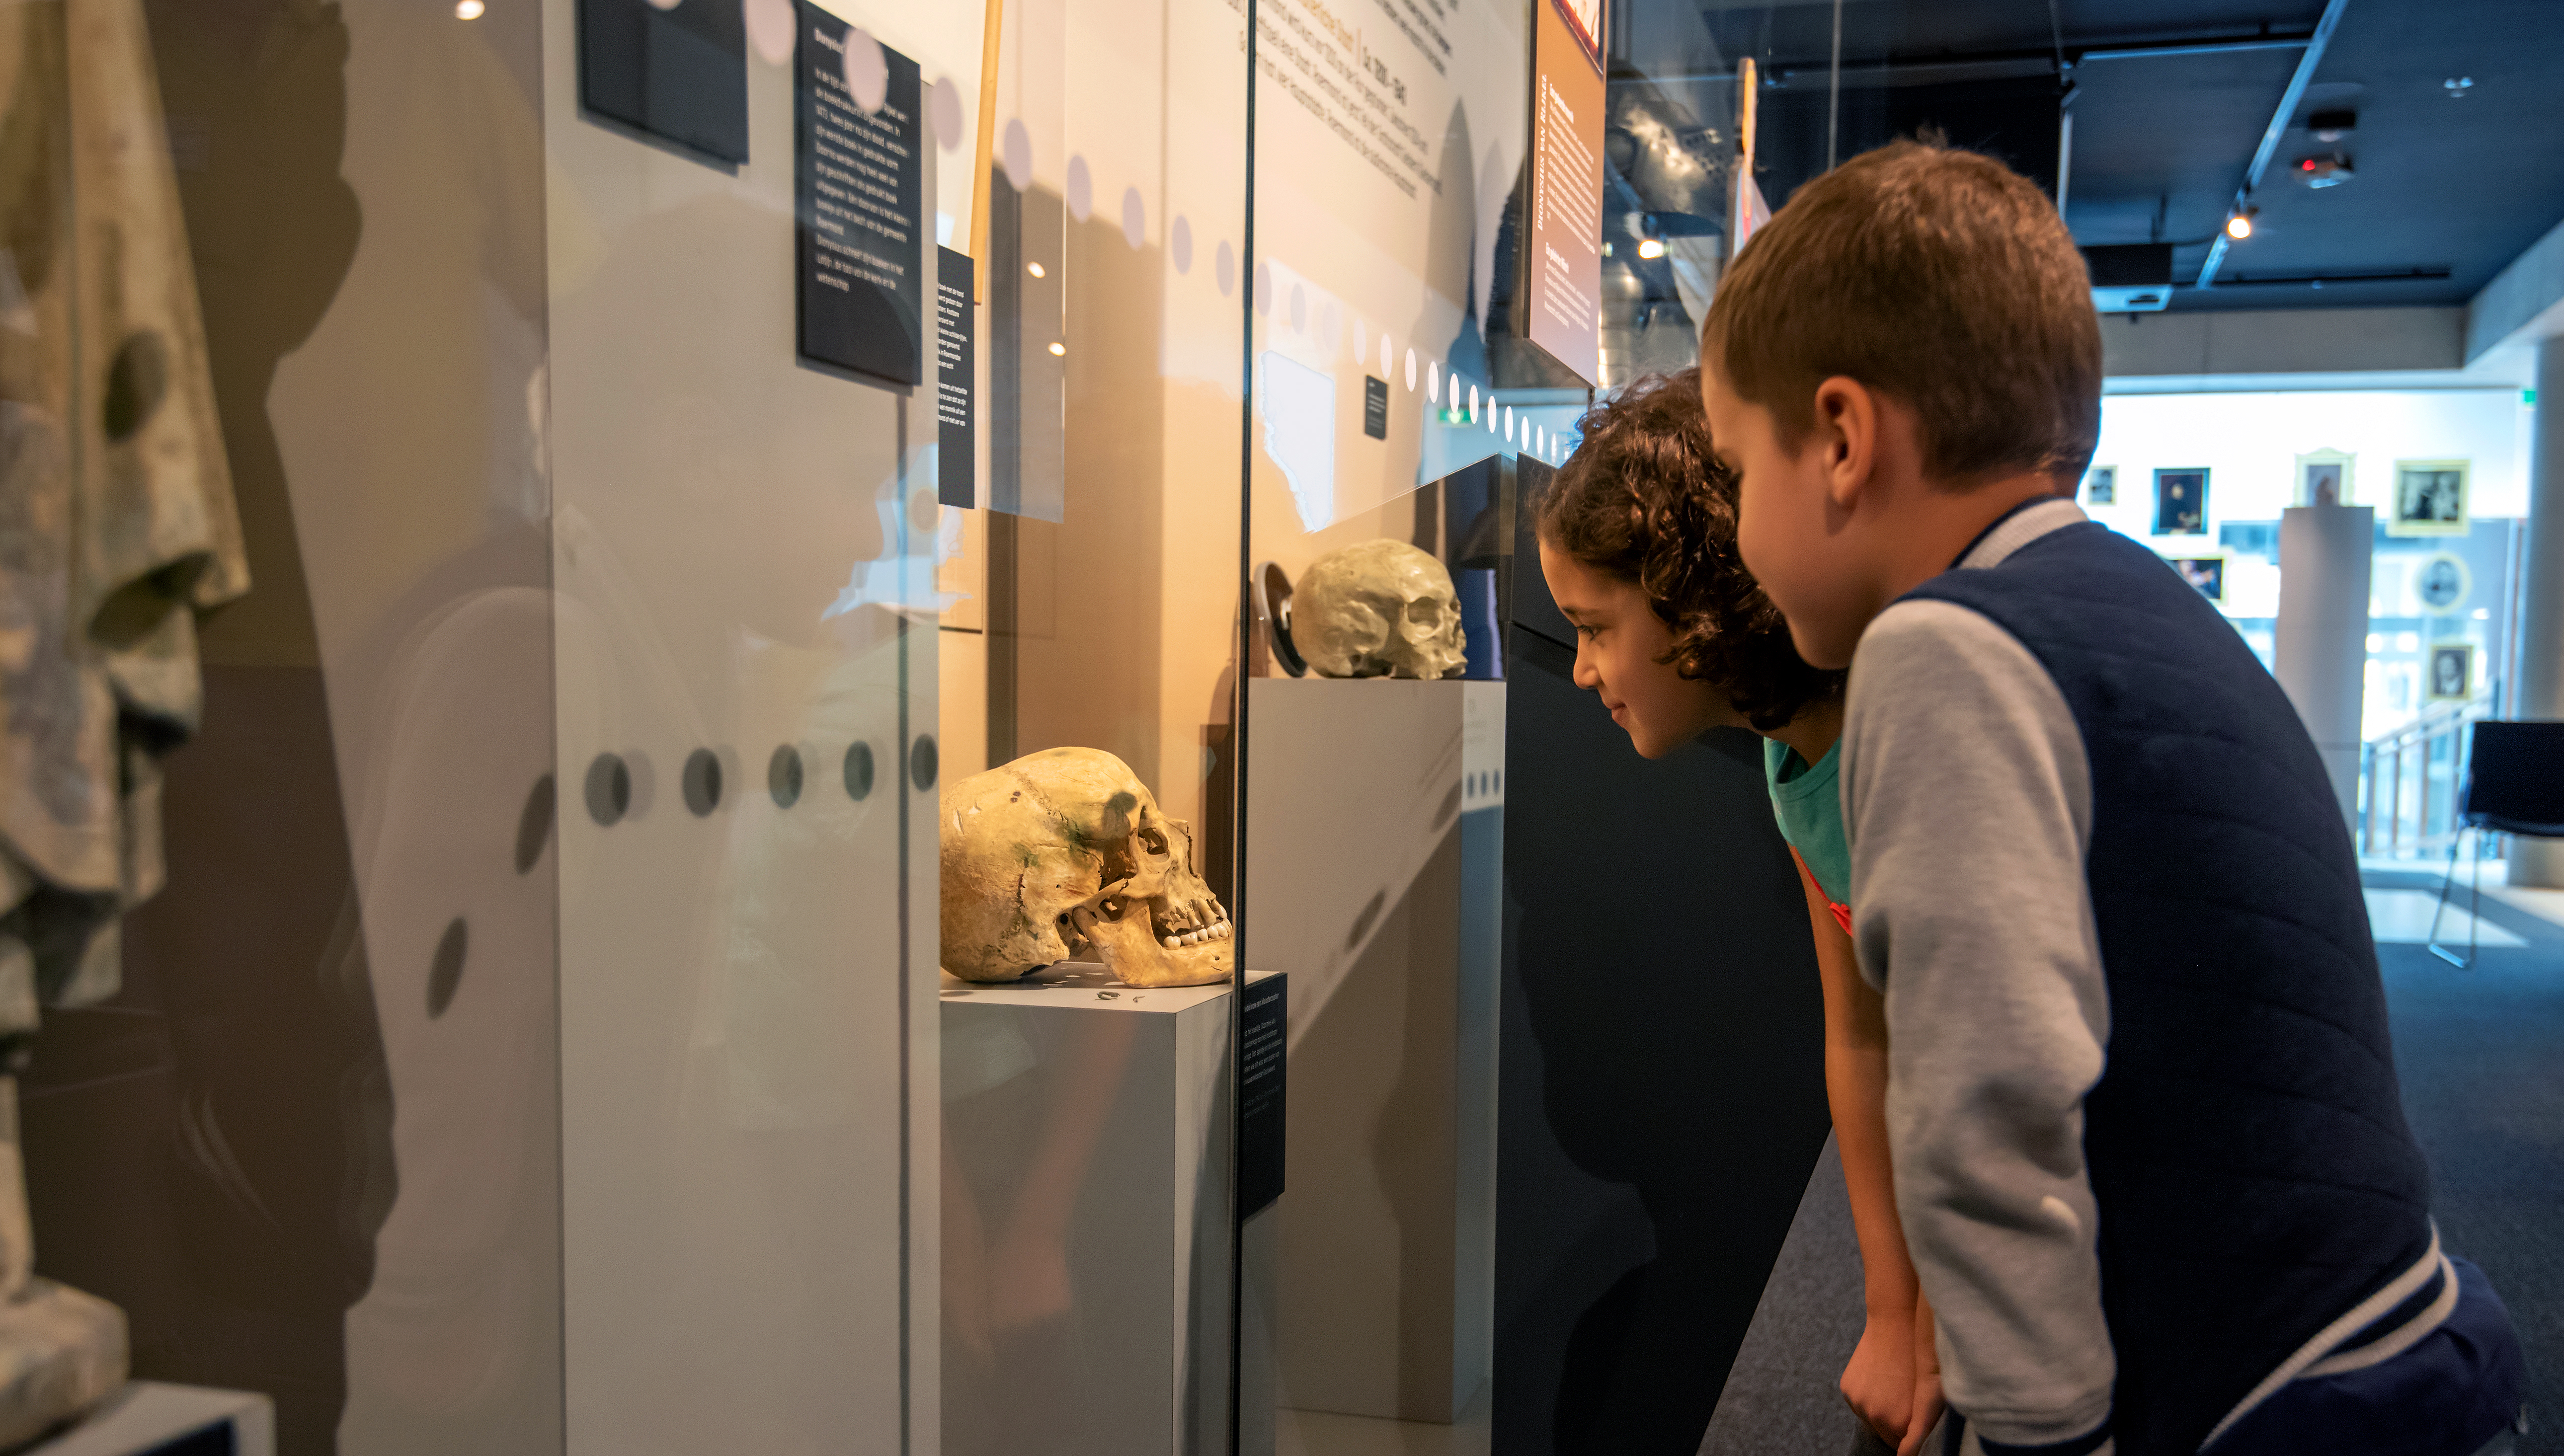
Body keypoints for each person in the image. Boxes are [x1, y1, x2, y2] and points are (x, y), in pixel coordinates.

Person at [1699, 138, 2526, 1456]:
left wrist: (2028, 1439)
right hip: (2390, 1328)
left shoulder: (1942, 647)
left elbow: (1986, 1110)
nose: (1737, 524)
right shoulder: (2133, 601)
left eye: (1741, 466)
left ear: (1843, 438)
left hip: (2268, 1395)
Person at [1532, 368, 1945, 1455]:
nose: (1579, 670)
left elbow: (1976, 1068)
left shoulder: (1900, 744)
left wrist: (1938, 1315)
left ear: (1691, 593)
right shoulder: (1785, 758)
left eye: (1593, 627)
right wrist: (1893, 1308)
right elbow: (1859, 1033)